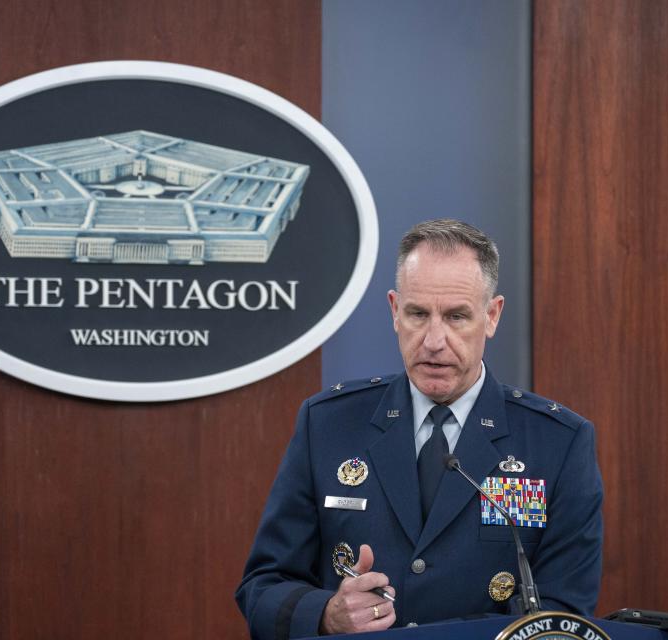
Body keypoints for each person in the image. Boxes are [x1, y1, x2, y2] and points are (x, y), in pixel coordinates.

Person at [236, 219, 603, 639]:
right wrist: (326, 614)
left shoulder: (557, 444)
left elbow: (565, 615)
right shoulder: (329, 424)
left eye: (456, 316)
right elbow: (261, 588)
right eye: (417, 314)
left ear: (492, 316)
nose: (433, 340)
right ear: (394, 311)